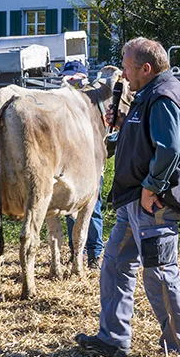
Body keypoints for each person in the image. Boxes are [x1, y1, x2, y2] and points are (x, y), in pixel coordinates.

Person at [75, 37, 180, 357]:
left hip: (154, 205)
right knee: (116, 263)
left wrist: (152, 187)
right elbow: (149, 140)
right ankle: (113, 339)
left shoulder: (164, 96)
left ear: (145, 68)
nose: (123, 72)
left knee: (161, 274)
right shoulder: (148, 93)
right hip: (132, 203)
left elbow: (169, 151)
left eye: (126, 66)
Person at [60, 59, 103, 270]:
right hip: (72, 164)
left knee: (93, 209)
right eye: (68, 80)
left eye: (76, 80)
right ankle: (76, 252)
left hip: (92, 163)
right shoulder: (63, 101)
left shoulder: (93, 100)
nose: (72, 85)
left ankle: (94, 254)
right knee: (70, 210)